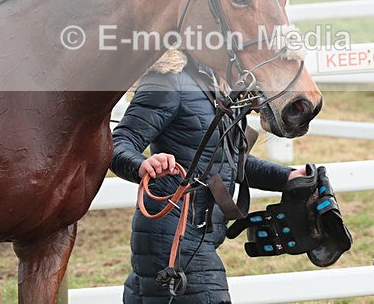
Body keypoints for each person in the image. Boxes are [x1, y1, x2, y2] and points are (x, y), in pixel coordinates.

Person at [110, 50, 306, 303]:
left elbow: (229, 160)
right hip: (172, 237)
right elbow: (119, 143)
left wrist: (288, 177)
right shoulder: (169, 82)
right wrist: (143, 164)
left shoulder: (222, 87)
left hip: (196, 235)